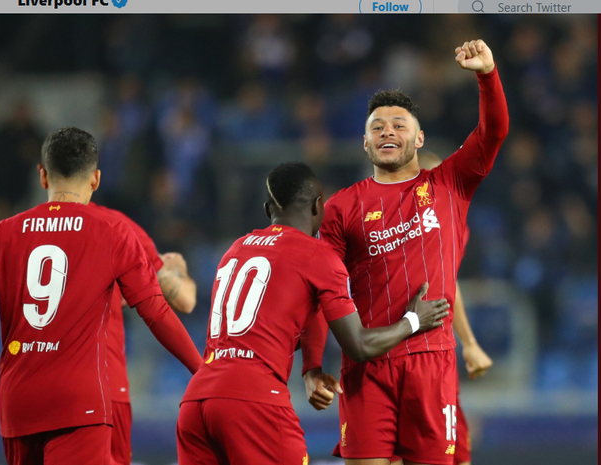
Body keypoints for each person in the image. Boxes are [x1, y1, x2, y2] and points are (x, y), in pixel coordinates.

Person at [0, 127, 203, 465]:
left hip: (18, 402)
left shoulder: (0, 235)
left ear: (42, 175)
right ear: (95, 179)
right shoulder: (112, 231)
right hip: (79, 402)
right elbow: (155, 312)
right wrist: (201, 372)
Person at [301, 39, 508, 465]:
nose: (388, 132)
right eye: (377, 127)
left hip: (430, 364)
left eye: (398, 124)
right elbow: (323, 292)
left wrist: (487, 76)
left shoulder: (449, 184)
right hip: (366, 368)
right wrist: (311, 365)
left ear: (419, 137)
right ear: (364, 142)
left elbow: (494, 133)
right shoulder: (342, 206)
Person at [176, 162, 451, 464]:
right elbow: (358, 346)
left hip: (196, 402)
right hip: (253, 402)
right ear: (319, 206)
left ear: (269, 209)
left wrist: (311, 368)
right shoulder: (318, 256)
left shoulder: (237, 249)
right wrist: (413, 321)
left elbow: (276, 325)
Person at [389, 152, 494, 465]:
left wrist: (470, 344)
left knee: (457, 456)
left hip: (437, 359)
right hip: (395, 358)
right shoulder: (393, 227)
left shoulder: (452, 223)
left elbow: (449, 284)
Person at [89, 201, 197, 465]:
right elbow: (185, 300)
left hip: (33, 388)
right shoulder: (116, 227)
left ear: (43, 175)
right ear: (95, 177)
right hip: (102, 389)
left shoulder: (15, 231)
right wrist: (177, 268)